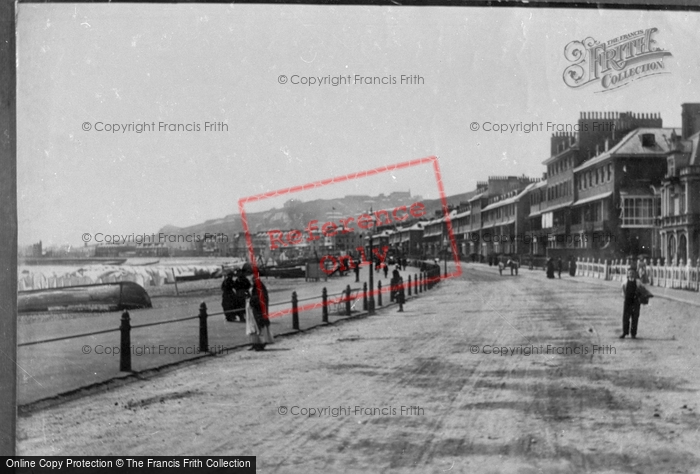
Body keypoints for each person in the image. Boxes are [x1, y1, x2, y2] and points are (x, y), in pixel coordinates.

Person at [246, 277, 274, 351]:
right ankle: (255, 343)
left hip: (258, 309)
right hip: (253, 309)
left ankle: (261, 343)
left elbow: (262, 299)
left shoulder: (260, 288)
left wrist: (252, 300)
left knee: (259, 326)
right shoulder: (254, 287)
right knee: (253, 326)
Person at [620, 268, 649, 339]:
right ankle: (625, 332)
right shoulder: (625, 282)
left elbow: (643, 290)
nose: (631, 274)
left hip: (635, 302)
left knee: (635, 317)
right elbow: (623, 291)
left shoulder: (638, 282)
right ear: (627, 274)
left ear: (635, 274)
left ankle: (633, 333)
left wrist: (643, 297)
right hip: (627, 302)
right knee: (626, 317)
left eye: (632, 273)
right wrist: (625, 298)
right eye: (630, 273)